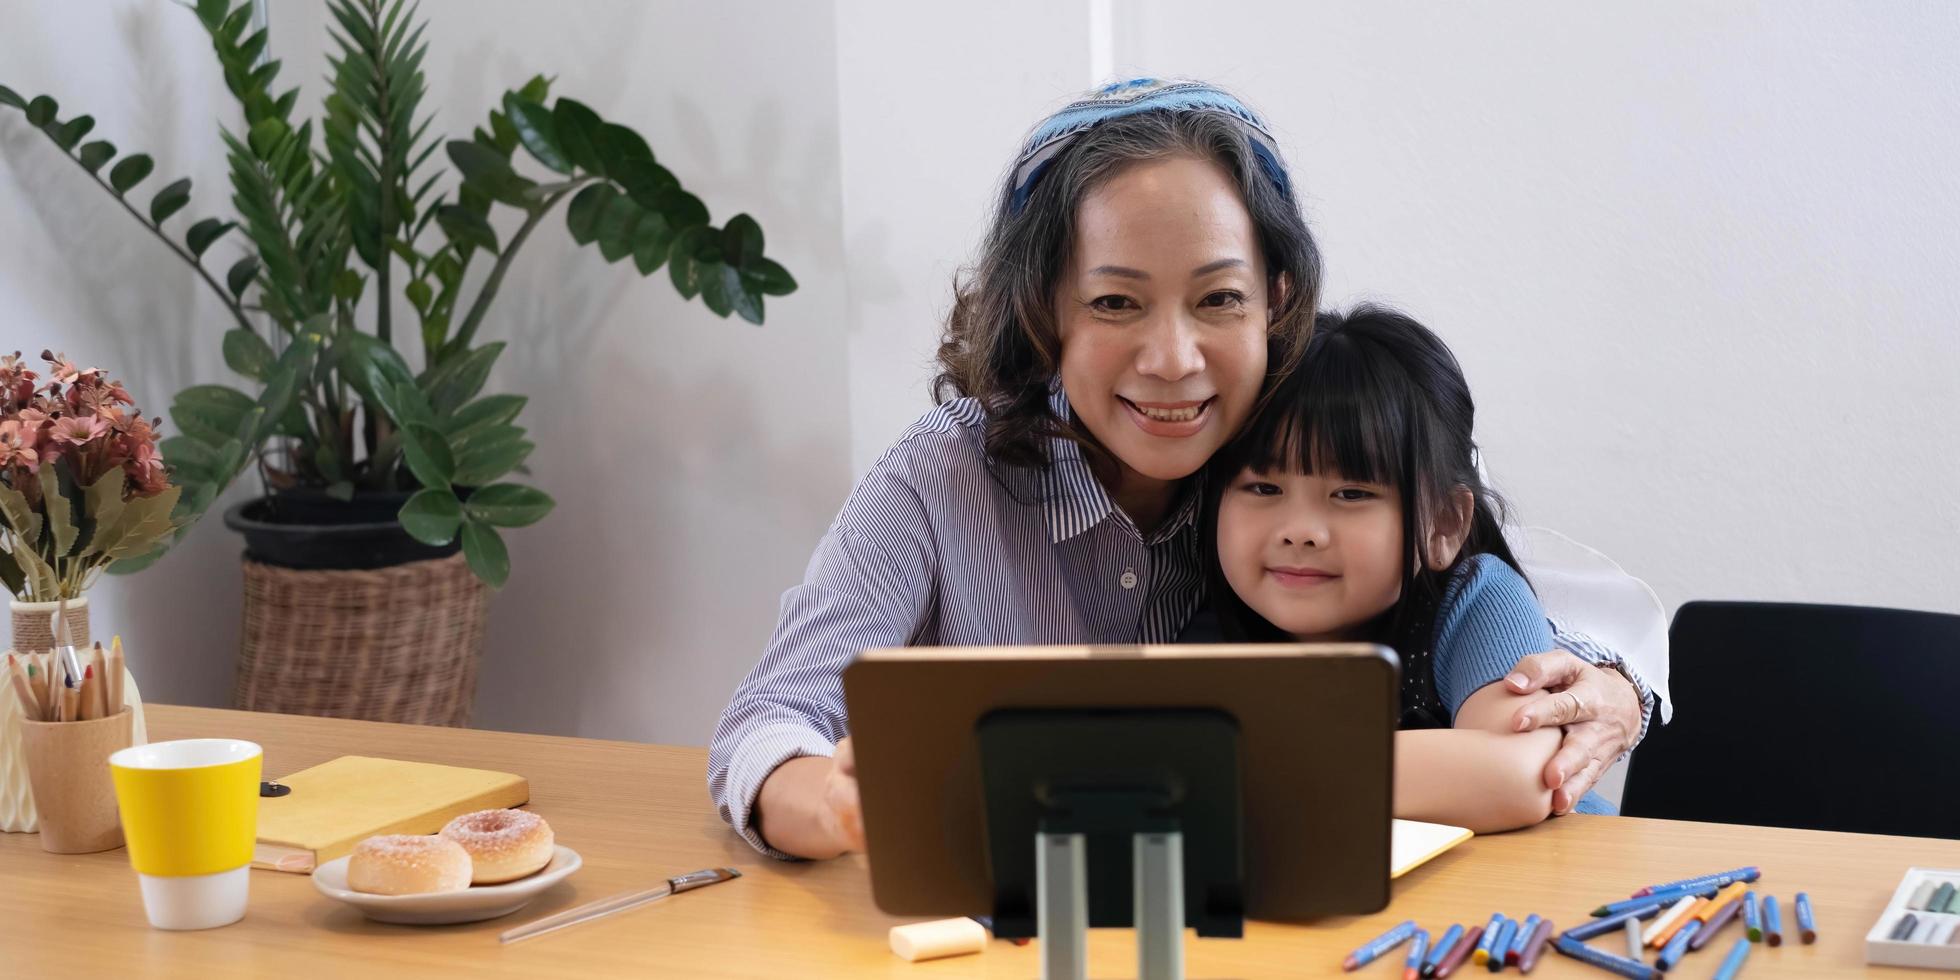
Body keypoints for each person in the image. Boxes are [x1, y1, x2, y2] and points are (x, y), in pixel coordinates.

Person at [708, 79, 1656, 860]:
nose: (1173, 361)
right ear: (1045, 312)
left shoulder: (1279, 442)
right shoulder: (934, 481)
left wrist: (1612, 683)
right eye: (1117, 302)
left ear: (1274, 302)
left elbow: (1482, 578)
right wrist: (828, 804)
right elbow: (770, 721)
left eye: (1219, 299)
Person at [1203, 304, 1609, 832]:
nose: (1299, 530)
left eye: (1351, 493)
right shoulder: (1205, 620)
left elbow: (1520, 776)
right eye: (1263, 488)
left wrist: (1252, 772)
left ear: (1442, 524)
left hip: (1547, 896)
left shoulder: (1475, 599)